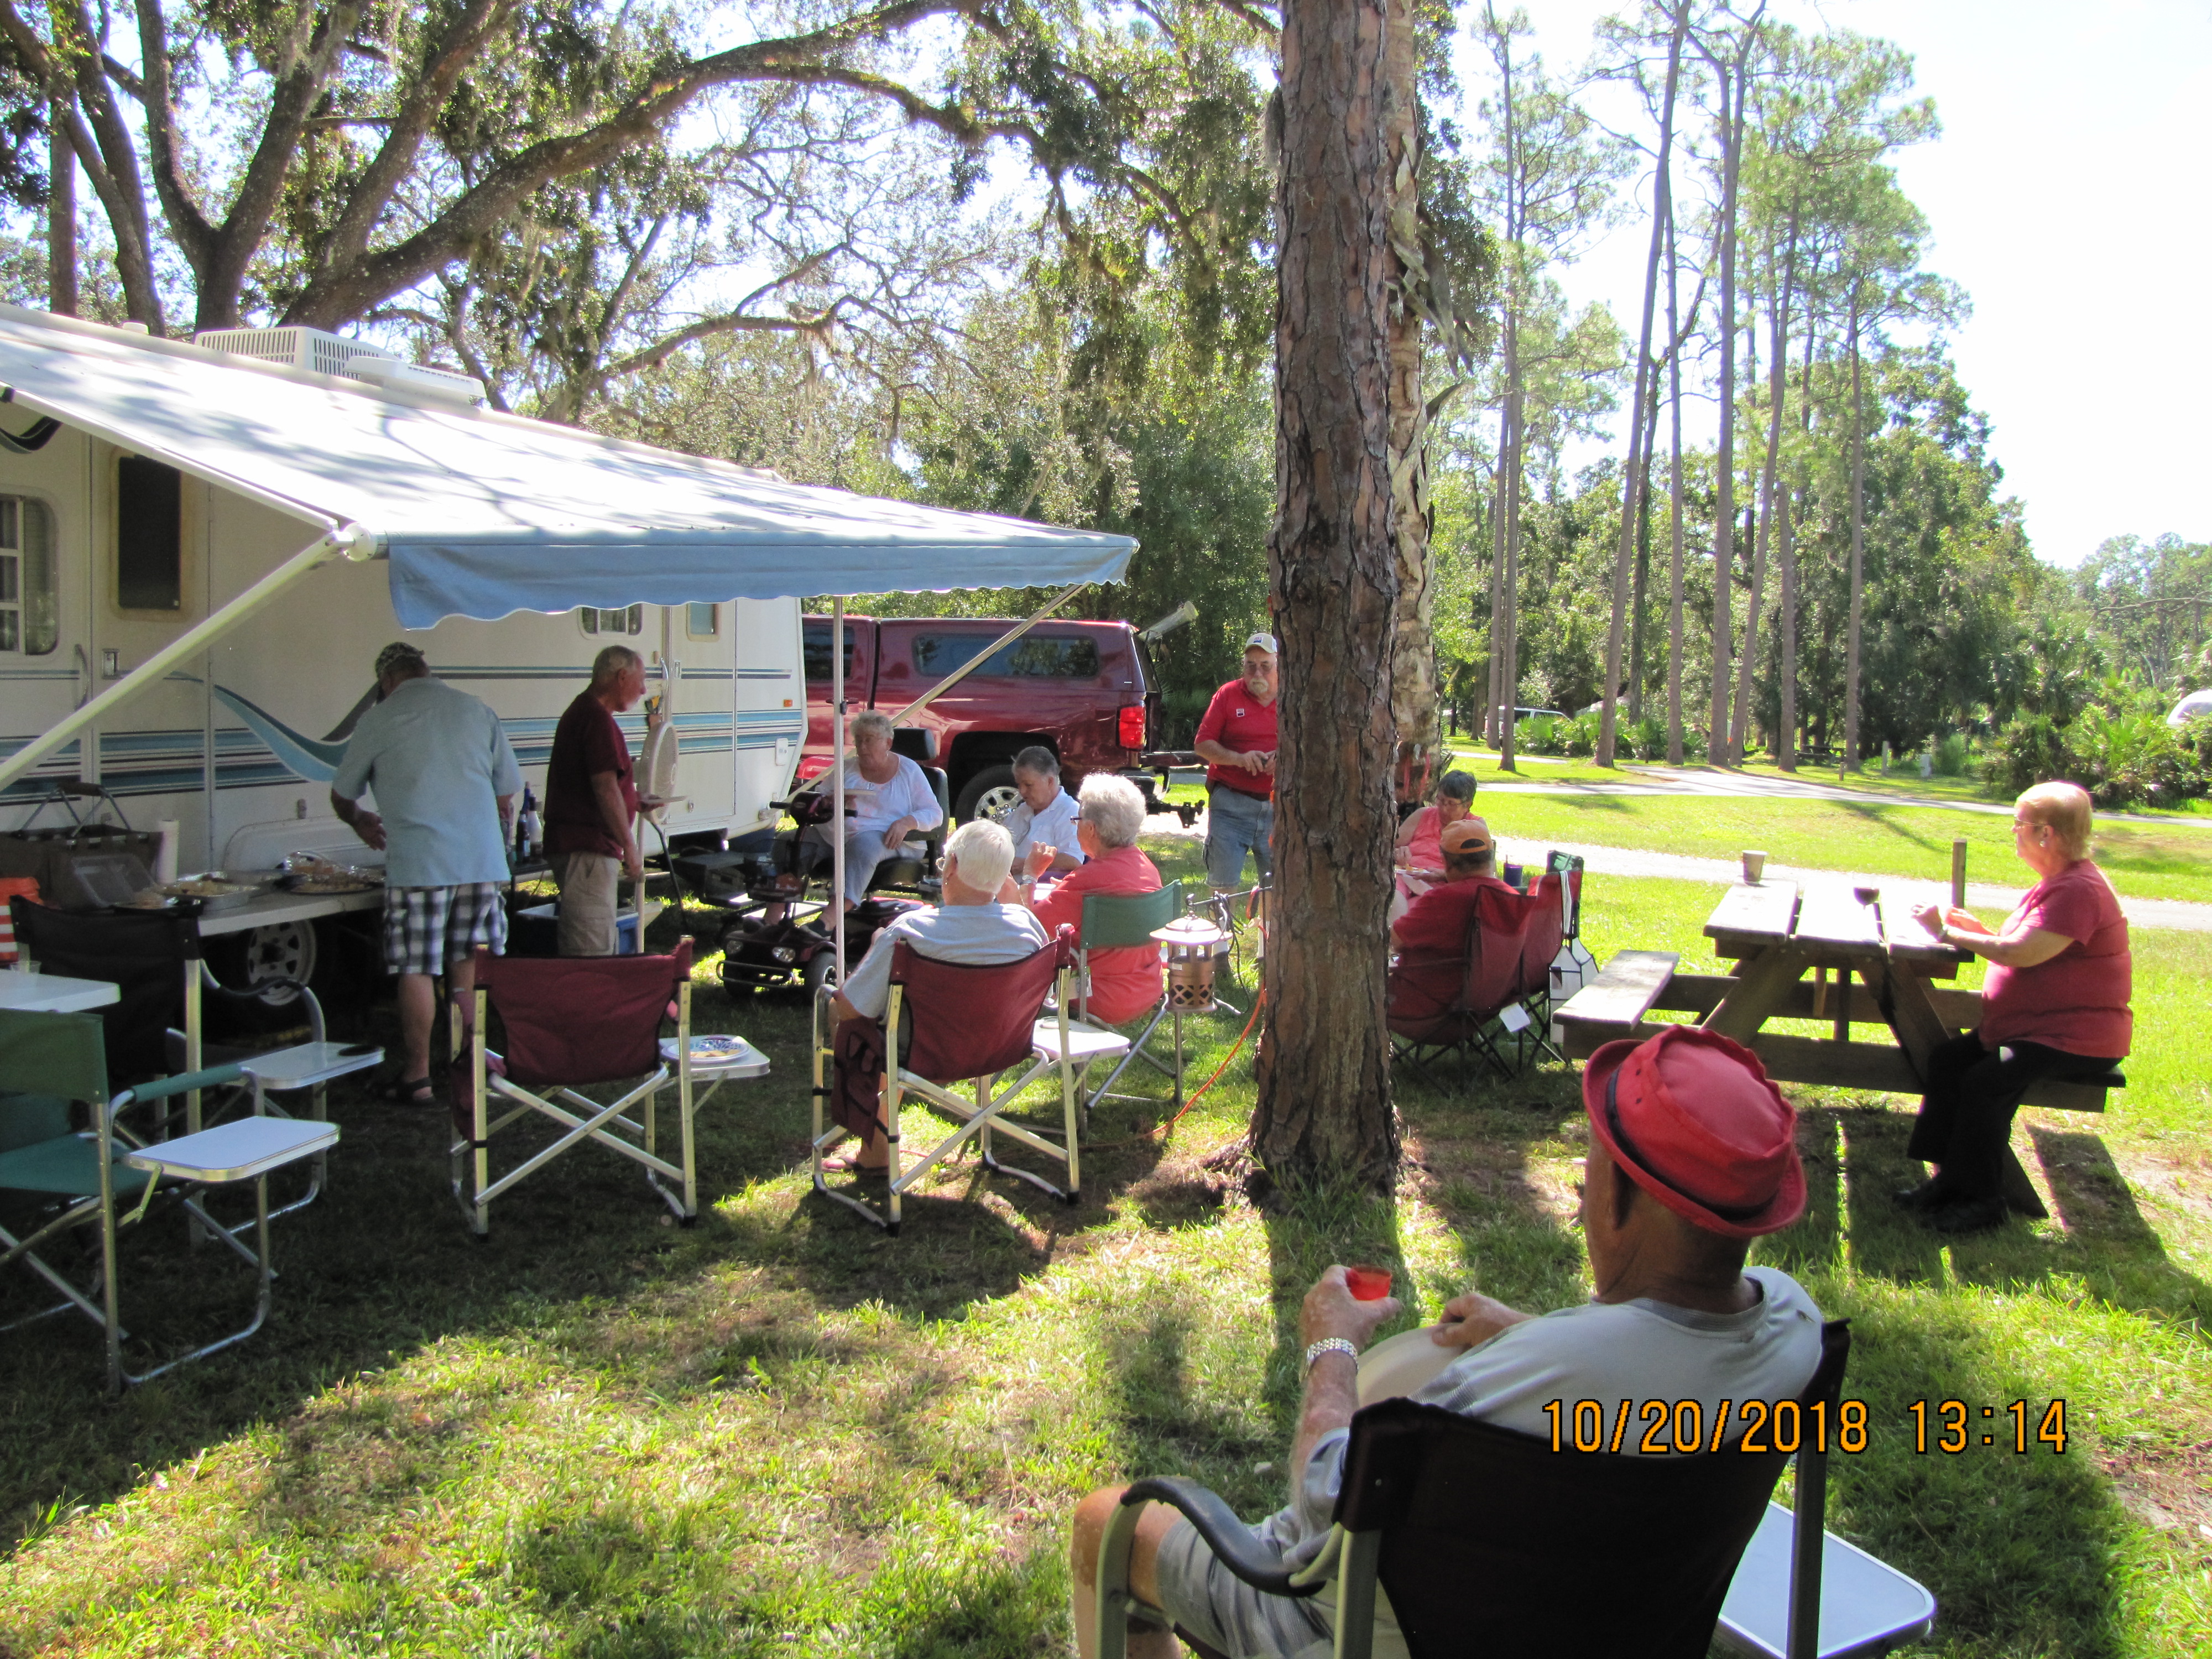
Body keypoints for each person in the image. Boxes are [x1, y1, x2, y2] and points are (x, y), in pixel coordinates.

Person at [1068, 1025, 1822, 1659]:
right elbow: (1652, 1370)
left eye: (1593, 1171)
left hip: (1354, 1631)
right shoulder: (1799, 1335)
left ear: (1627, 1199)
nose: (1581, 1195)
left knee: (1109, 1523)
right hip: (1609, 1625)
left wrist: (1330, 1351)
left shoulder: (1534, 1383)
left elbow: (1328, 1496)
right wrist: (1524, 1330)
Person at [1901, 780, 2131, 1234]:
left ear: (2045, 833)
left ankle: (1982, 1200)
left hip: (2076, 1037)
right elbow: (2031, 948)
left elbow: (2021, 953)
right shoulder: (2059, 882)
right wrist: (1980, 930)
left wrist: (1947, 933)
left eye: (2019, 824)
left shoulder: (2078, 889)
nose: (2013, 832)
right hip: (2033, 1028)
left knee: (1986, 1081)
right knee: (1949, 1061)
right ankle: (1950, 1181)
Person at [330, 641, 522, 1107]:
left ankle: (417, 1076)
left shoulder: (378, 718)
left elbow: (341, 793)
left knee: (416, 967)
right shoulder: (476, 710)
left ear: (387, 681)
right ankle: (470, 1062)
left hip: (420, 863)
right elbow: (508, 790)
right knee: (467, 966)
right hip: (479, 862)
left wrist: (360, 821)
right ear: (425, 670)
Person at [823, 818, 1048, 1172]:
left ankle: (875, 1147)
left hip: (921, 1057)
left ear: (953, 866)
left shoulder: (911, 931)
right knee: (897, 1026)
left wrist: (874, 949)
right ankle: (878, 1146)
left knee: (856, 1018)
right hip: (1001, 1049)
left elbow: (851, 1007)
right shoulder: (1027, 924)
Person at [542, 645, 661, 956]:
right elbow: (604, 787)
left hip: (585, 849)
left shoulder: (589, 714)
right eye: (641, 680)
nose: (644, 690)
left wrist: (633, 800)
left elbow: (602, 785)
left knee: (596, 940)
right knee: (590, 950)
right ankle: (584, 1003)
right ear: (622, 677)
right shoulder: (594, 719)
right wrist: (631, 847)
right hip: (587, 850)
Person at [1019, 773, 1164, 1024]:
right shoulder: (1146, 866)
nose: (1076, 825)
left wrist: (1030, 875)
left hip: (1091, 997)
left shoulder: (1088, 880)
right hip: (1148, 989)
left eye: (1077, 819)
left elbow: (1028, 930)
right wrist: (1068, 891)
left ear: (1092, 828)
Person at [781, 710, 944, 918]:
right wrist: (828, 804)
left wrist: (907, 823)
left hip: (890, 838)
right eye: (859, 741)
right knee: (792, 842)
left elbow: (934, 812)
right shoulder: (846, 769)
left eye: (869, 740)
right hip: (837, 836)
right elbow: (820, 800)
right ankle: (776, 918)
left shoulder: (909, 771)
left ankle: (826, 923)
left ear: (888, 743)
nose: (863, 747)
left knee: (864, 845)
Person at [1386, 817, 1520, 1027]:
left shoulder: (1443, 900)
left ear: (1446, 861)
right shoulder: (1512, 897)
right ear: (1490, 856)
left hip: (1426, 1008)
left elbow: (1395, 941)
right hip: (1489, 1006)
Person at [1192, 632, 1279, 898]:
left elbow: (1314, 743)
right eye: (1250, 666)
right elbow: (1202, 744)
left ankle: (1272, 938)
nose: (1257, 674)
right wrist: (1239, 759)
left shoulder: (1296, 698)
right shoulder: (1228, 695)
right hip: (1231, 804)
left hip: (1281, 808)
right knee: (1222, 889)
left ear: (1279, 666)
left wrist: (1285, 758)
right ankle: (1220, 938)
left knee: (1280, 891)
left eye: (1265, 666)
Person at [1392, 769, 1478, 920]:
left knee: (1416, 913)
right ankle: (1393, 936)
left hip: (1441, 886)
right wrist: (1398, 854)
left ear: (1467, 805)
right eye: (1441, 801)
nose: (1444, 809)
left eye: (1451, 804)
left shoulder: (1475, 826)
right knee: (1393, 896)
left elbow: (1481, 872)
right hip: (1407, 875)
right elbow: (1390, 846)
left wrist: (1444, 875)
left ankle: (1398, 937)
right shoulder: (1423, 815)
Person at [1002, 746, 1085, 875]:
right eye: (1019, 784)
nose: (1022, 791)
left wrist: (1027, 864)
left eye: (1028, 785)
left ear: (1050, 781)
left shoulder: (1070, 811)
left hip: (1044, 890)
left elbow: (1074, 860)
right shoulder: (1023, 810)